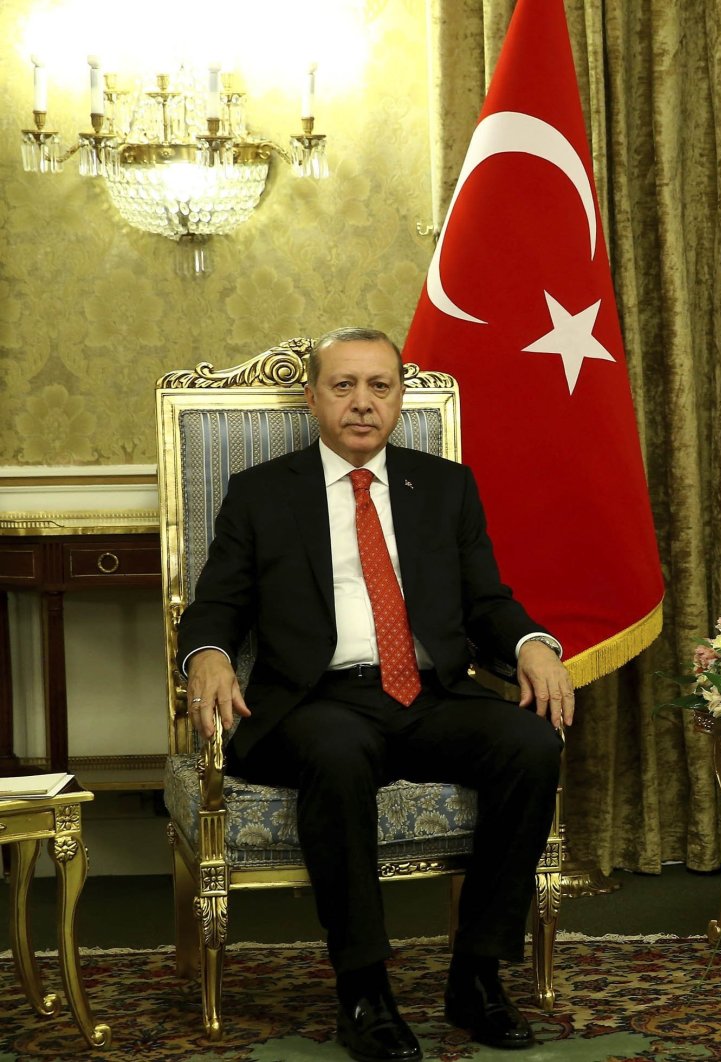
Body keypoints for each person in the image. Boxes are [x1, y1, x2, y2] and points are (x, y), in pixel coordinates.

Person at [179, 326, 574, 1062]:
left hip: (428, 694)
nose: (362, 403)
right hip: (315, 702)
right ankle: (363, 988)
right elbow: (217, 607)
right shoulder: (262, 493)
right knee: (338, 748)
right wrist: (206, 655)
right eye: (343, 385)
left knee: (529, 742)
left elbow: (487, 599)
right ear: (313, 399)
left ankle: (477, 975)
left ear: (398, 399)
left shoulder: (445, 486)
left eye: (380, 387)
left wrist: (530, 644)